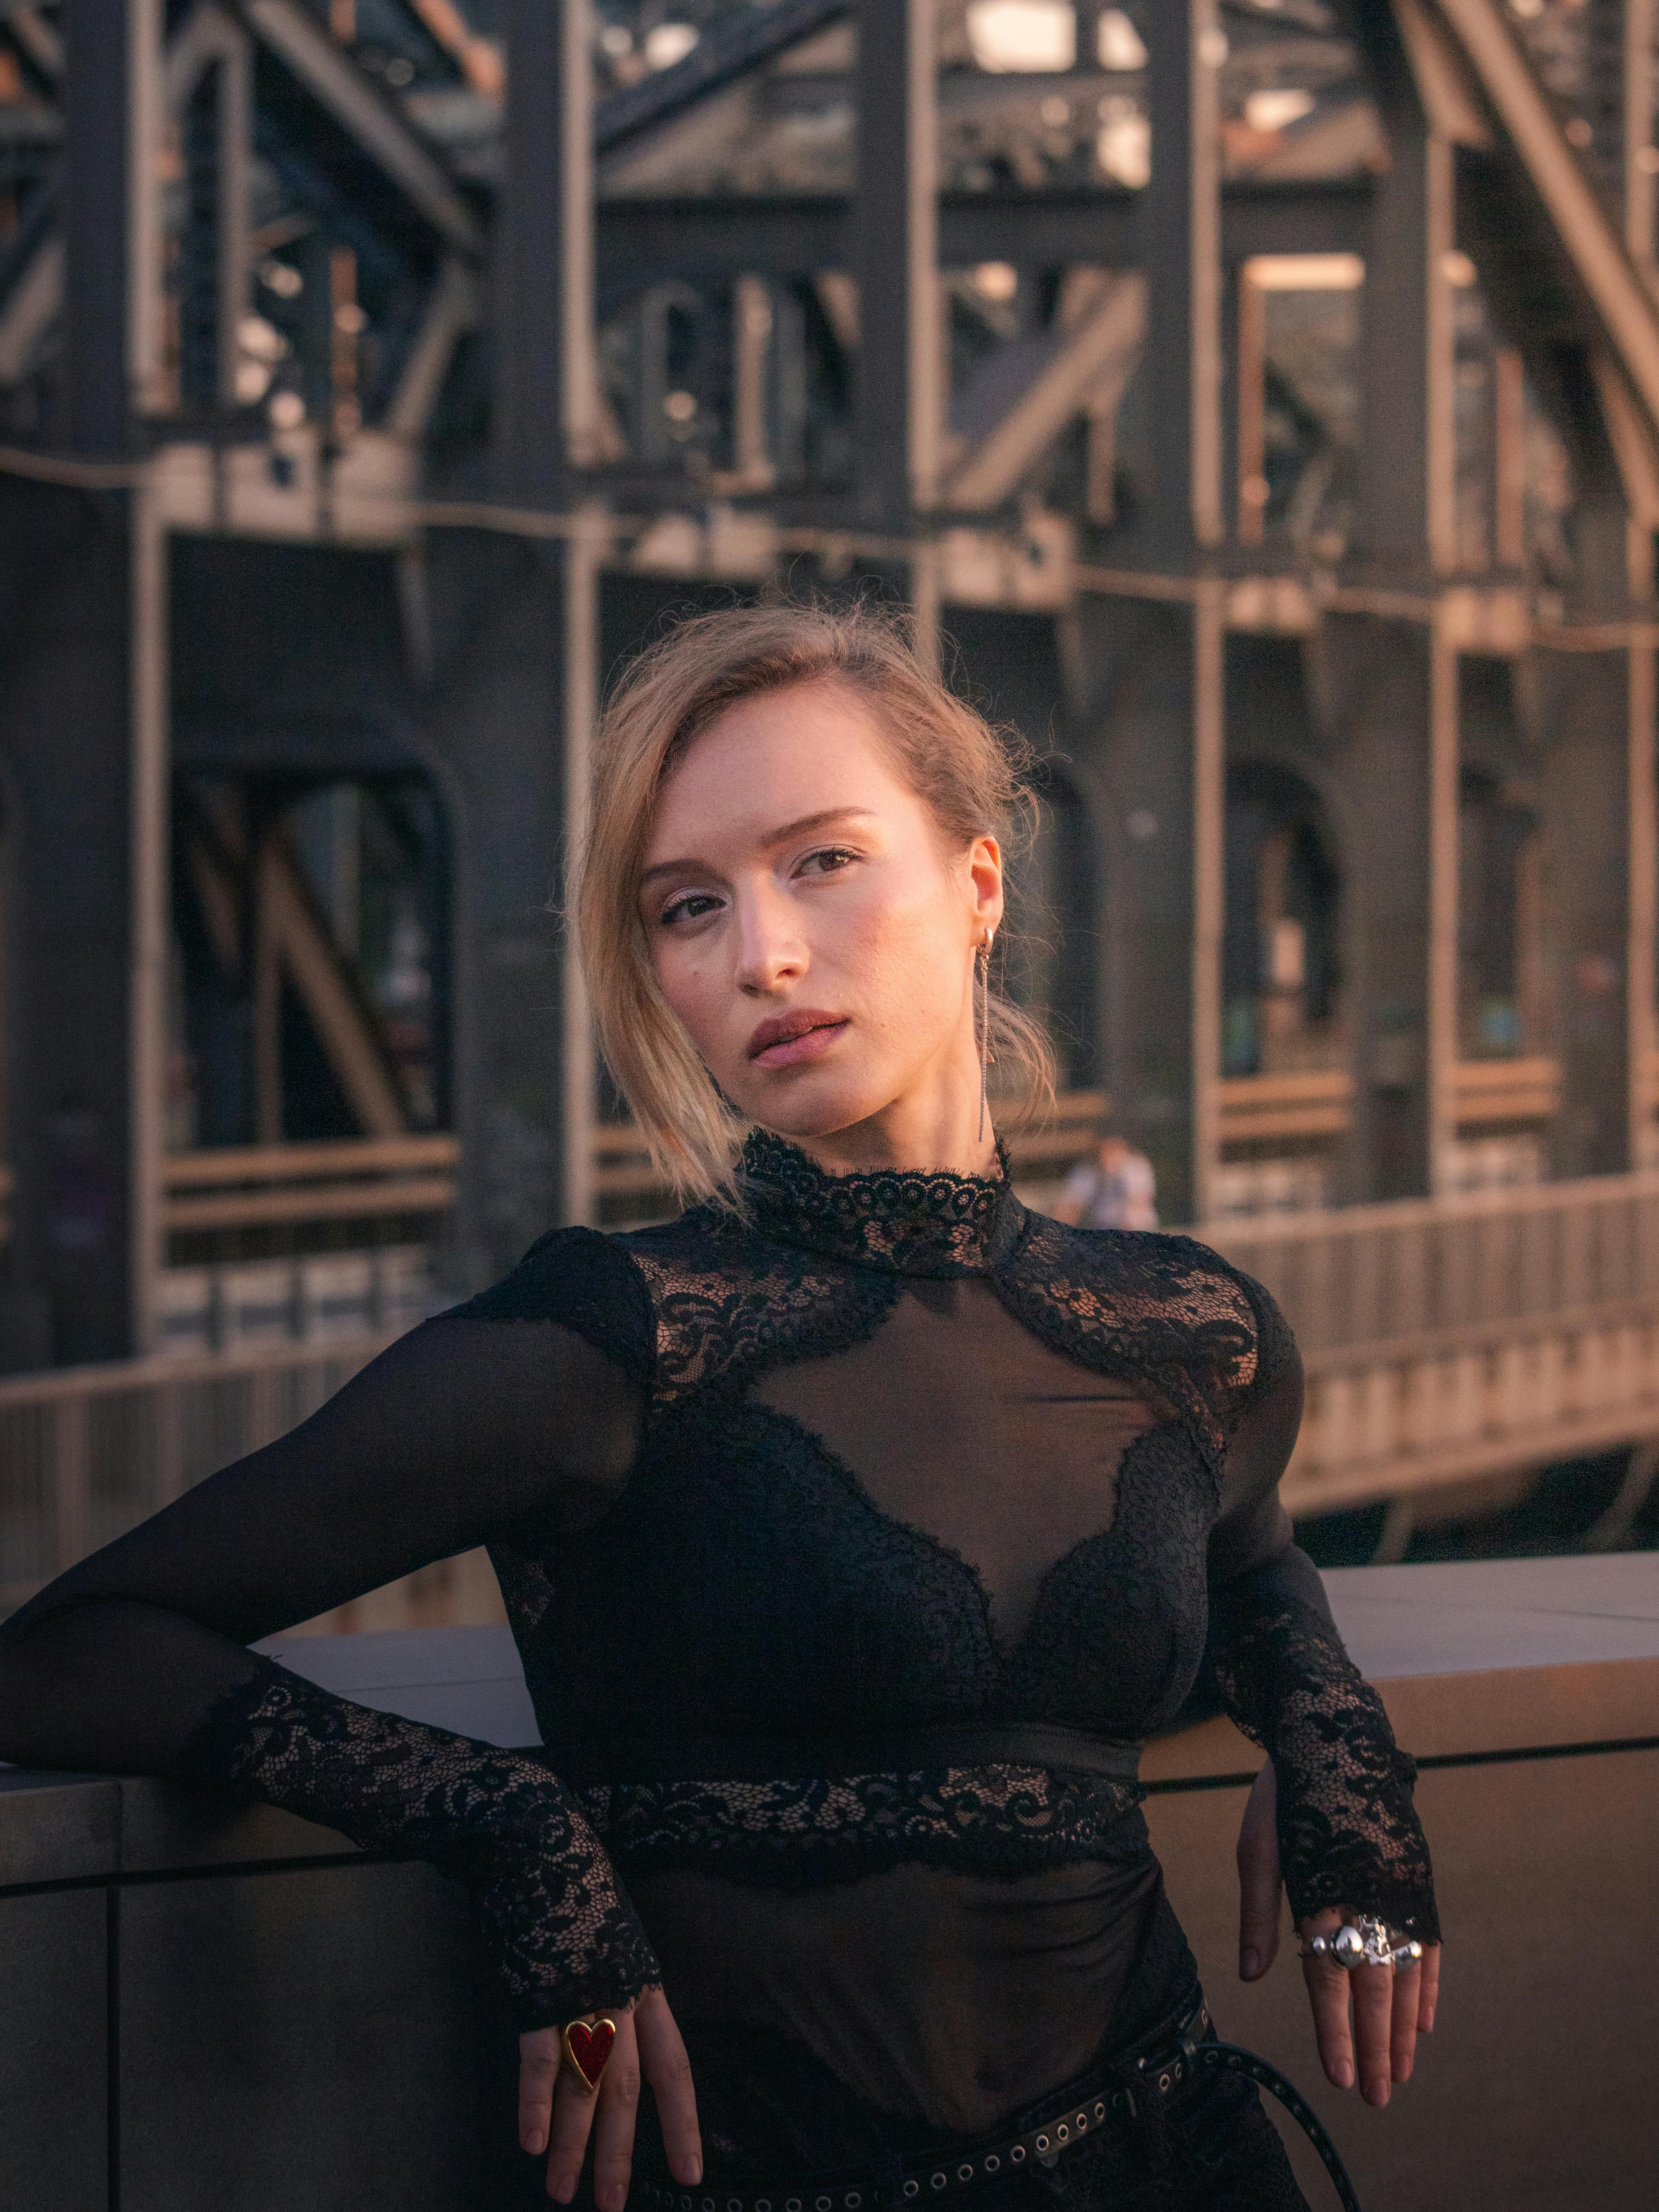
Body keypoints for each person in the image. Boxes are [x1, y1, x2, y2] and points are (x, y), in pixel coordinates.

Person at [0, 605, 1439, 2211]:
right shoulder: (613, 1341)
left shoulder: (1188, 1327)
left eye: (821, 861)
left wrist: (1335, 1746)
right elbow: (65, 1647)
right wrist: (510, 1826)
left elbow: (1248, 1554)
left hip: (1184, 2156)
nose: (761, 953)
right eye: (689, 905)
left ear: (977, 884)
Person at [1056, 1132, 1158, 1232]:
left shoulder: (1138, 1167)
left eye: (1114, 1148)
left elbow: (1140, 1203)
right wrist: (1059, 1232)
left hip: (1134, 1230)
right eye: (1105, 1148)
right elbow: (1070, 1207)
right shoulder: (1086, 1171)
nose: (1109, 1153)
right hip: (1098, 1229)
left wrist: (1116, 1174)